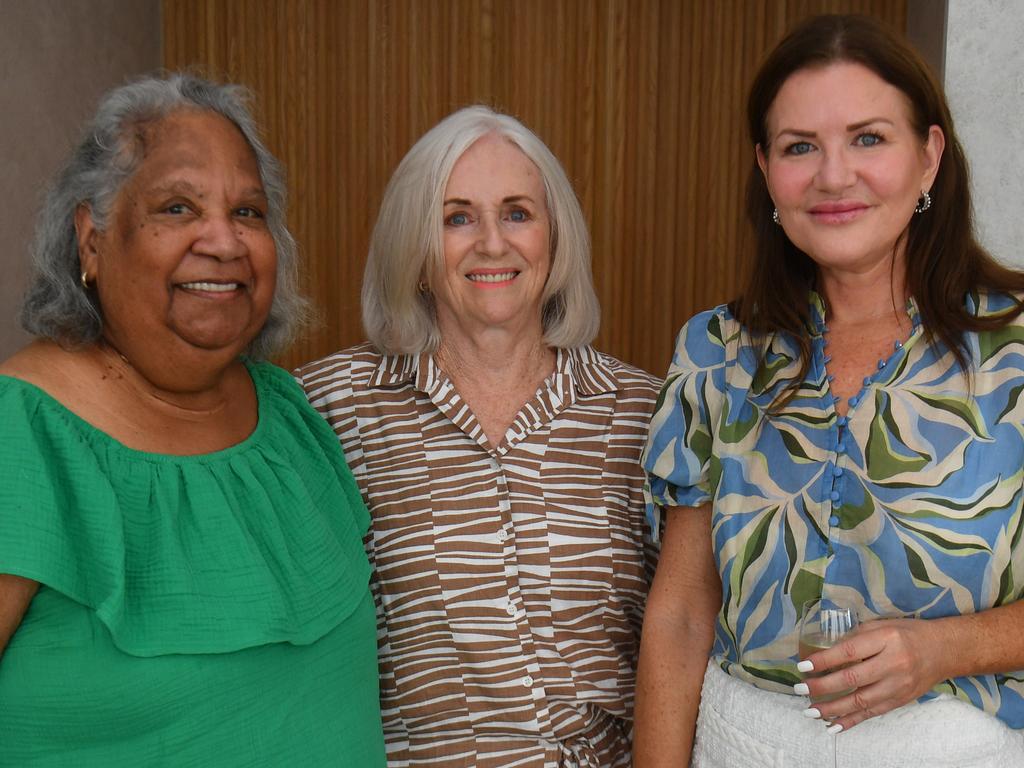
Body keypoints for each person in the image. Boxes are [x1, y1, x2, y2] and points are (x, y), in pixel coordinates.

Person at [635, 14, 1024, 768]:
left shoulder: (1014, 352)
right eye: (799, 147)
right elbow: (682, 615)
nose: (833, 175)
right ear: (765, 170)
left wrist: (945, 647)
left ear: (929, 157)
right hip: (740, 747)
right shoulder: (717, 352)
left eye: (869, 138)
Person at [0, 74, 385, 766]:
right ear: (91, 239)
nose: (225, 241)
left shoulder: (290, 417)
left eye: (248, 212)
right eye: (178, 207)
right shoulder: (22, 432)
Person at [296, 105, 661, 766]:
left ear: (555, 237)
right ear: (416, 250)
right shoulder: (332, 407)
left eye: (518, 212)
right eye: (457, 217)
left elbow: (689, 632)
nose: (492, 242)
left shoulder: (642, 412)